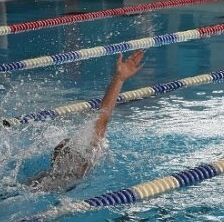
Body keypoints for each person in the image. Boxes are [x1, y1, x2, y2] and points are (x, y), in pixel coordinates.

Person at [25, 50, 145, 192]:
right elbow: (103, 118)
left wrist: (119, 78)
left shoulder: (40, 178)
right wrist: (119, 78)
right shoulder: (78, 174)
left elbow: (103, 118)